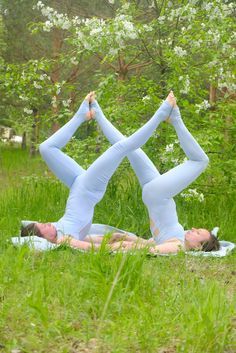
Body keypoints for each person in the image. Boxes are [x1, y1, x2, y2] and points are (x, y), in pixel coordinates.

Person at [21, 91, 176, 251]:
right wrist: (123, 245)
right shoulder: (64, 239)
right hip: (88, 188)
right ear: (47, 239)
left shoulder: (57, 230)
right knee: (123, 146)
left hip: (77, 183)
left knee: (46, 148)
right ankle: (160, 115)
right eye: (42, 228)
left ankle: (82, 116)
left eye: (41, 224)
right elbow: (95, 248)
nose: (46, 224)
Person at [88, 91, 220, 254]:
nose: (193, 228)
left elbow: (148, 251)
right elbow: (149, 245)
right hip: (154, 194)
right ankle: (97, 113)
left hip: (158, 195)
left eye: (198, 233)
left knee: (201, 161)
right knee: (129, 146)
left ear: (198, 247)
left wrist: (108, 247)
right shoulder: (173, 239)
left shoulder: (178, 246)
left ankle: (174, 118)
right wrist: (126, 239)